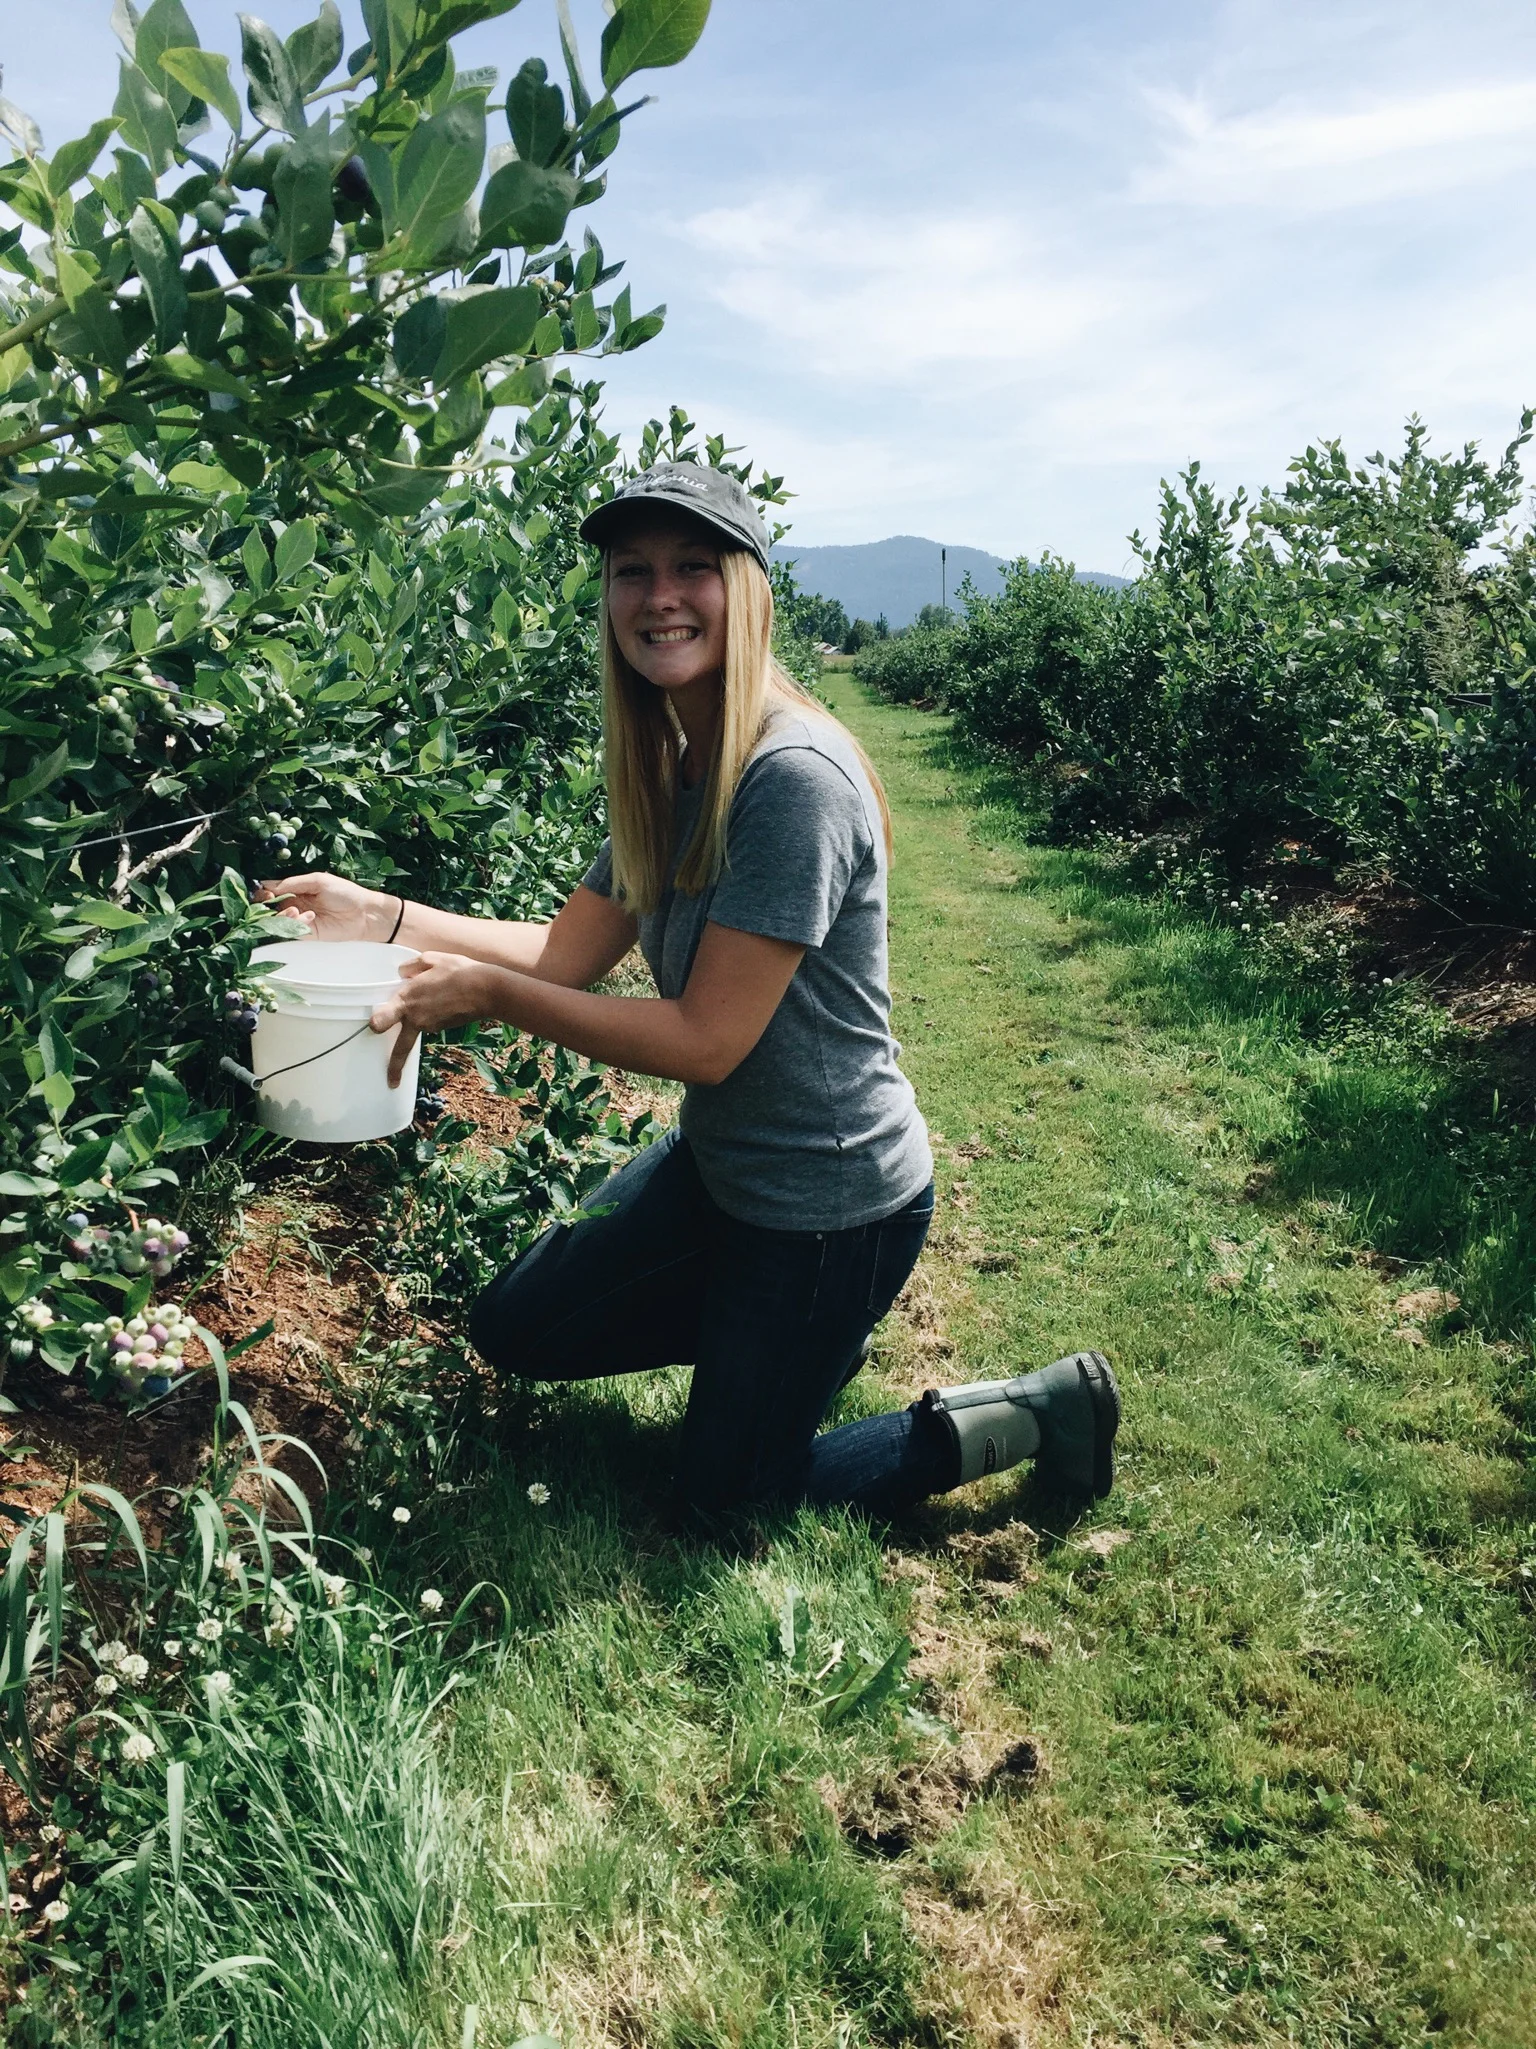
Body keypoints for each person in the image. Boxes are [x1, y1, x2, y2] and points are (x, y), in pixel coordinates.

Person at [260, 464, 1120, 1520]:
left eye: (691, 567)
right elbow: (563, 954)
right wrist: (378, 915)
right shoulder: (675, 764)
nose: (659, 595)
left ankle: (1038, 1408)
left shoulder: (791, 779)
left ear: (745, 587)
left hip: (827, 1209)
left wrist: (486, 995)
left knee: (728, 1507)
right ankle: (779, 1355)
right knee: (517, 1328)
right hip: (720, 1169)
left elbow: (707, 1040)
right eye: (632, 570)